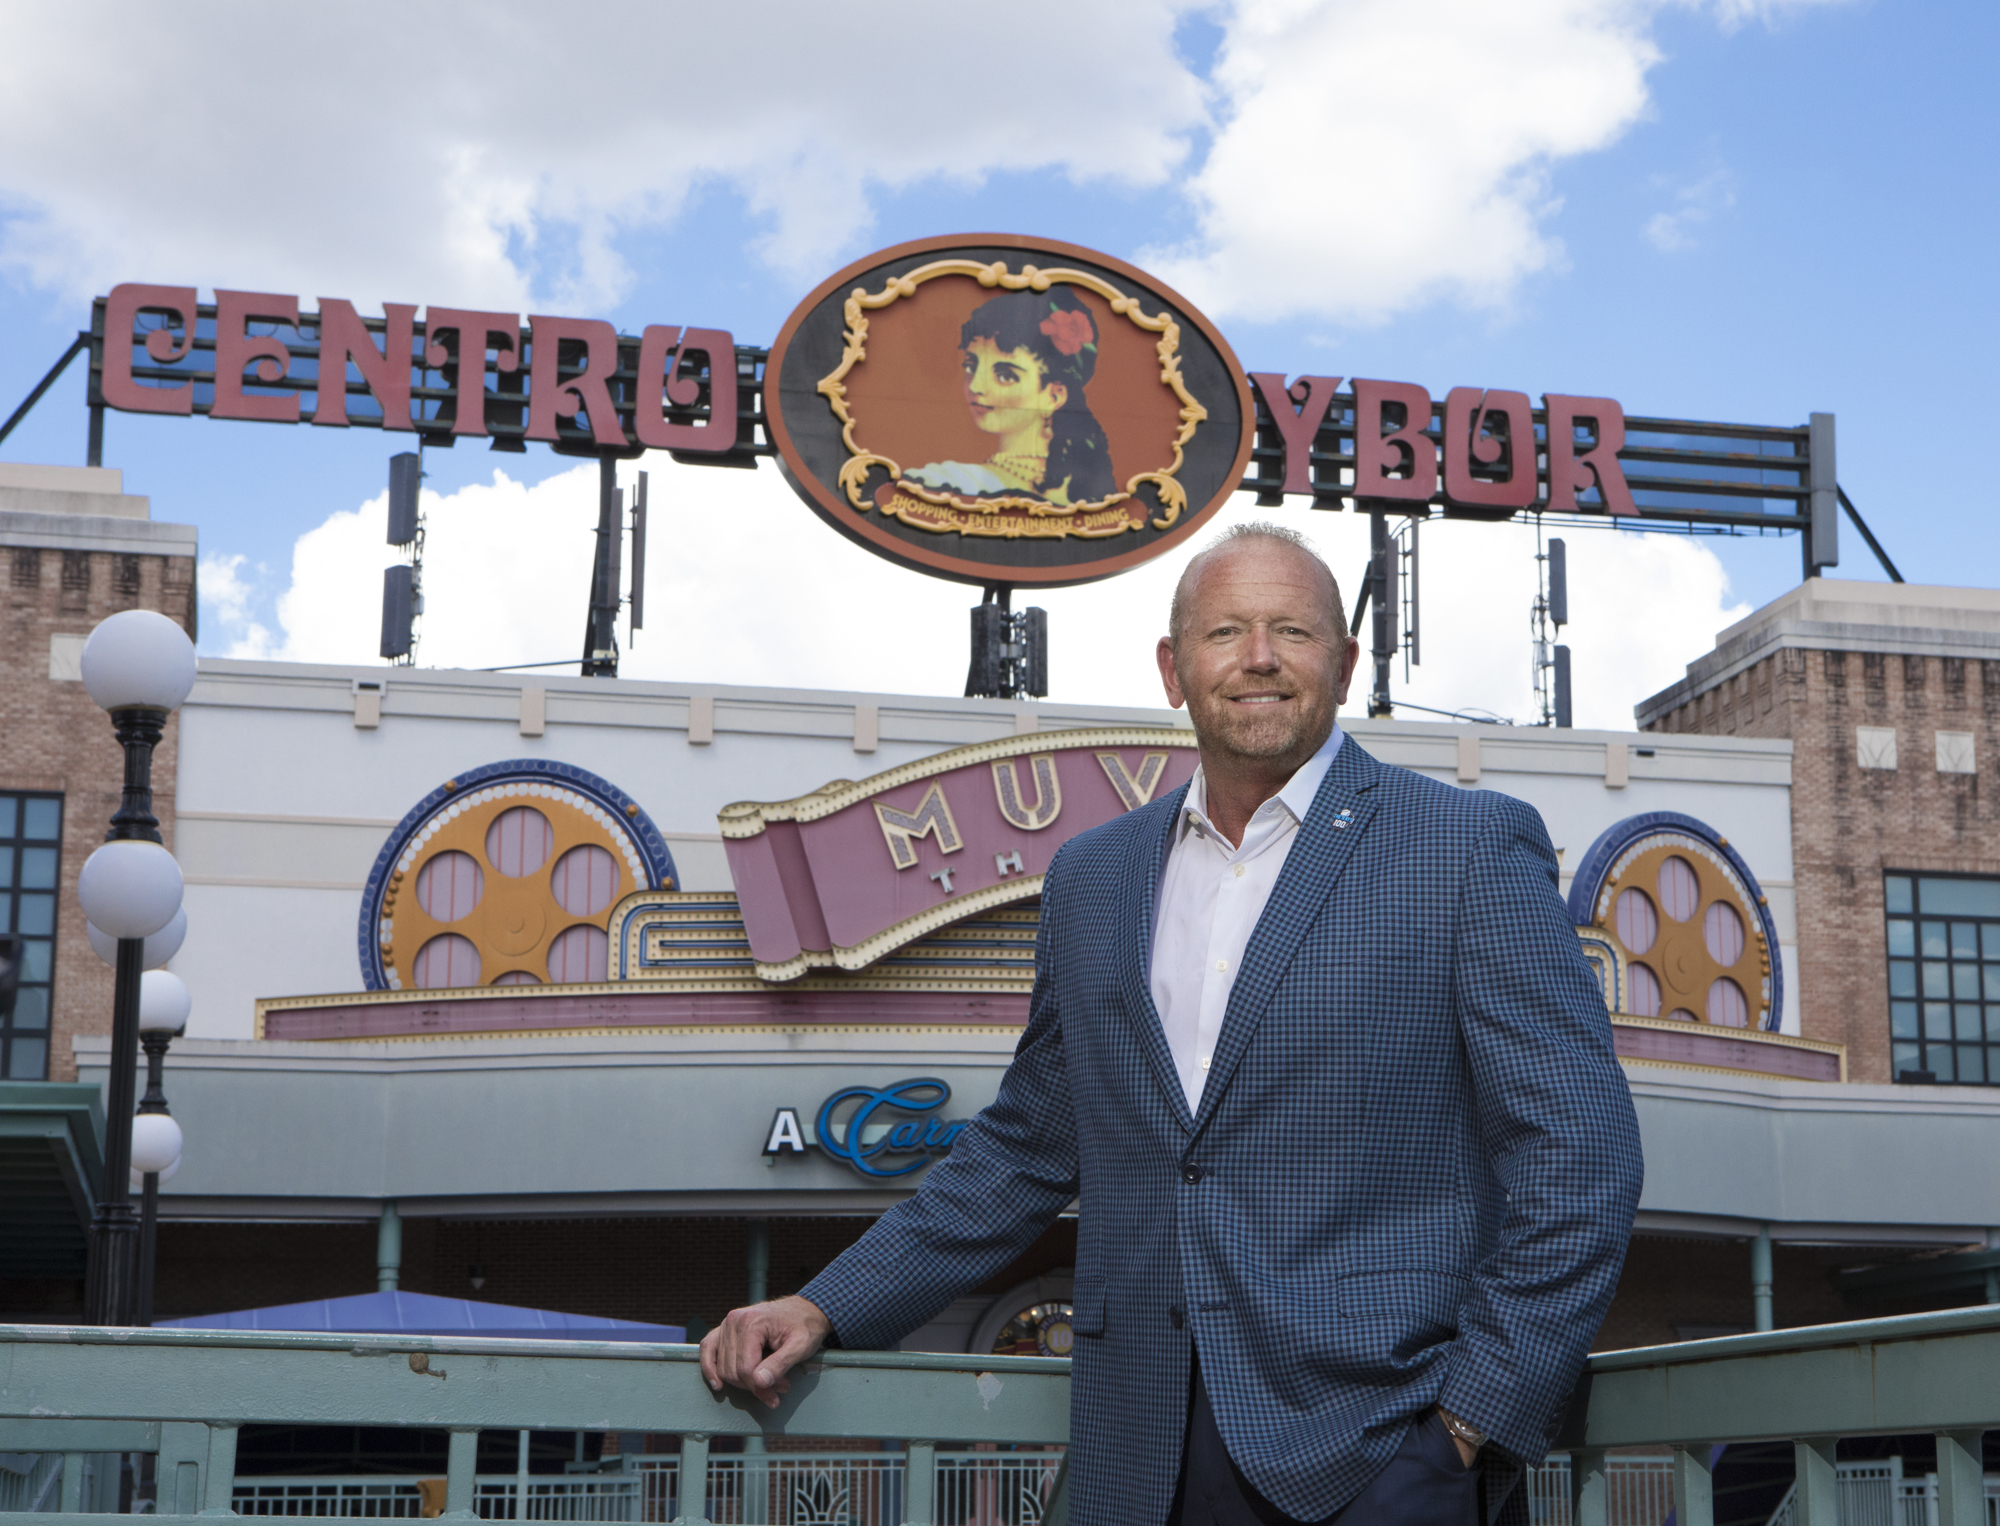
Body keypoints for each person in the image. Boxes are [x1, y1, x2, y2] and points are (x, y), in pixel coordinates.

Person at [701, 523, 1644, 1526]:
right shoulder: (1093, 876)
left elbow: (1577, 1153)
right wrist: (824, 1303)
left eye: (1293, 630)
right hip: (1135, 1454)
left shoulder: (1463, 847)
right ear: (1172, 666)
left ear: (1343, 663)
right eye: (1224, 631)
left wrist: (1468, 1421)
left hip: (1380, 1449)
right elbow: (1024, 1147)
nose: (1259, 658)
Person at [902, 286, 1115, 506]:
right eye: (970, 367)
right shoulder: (948, 481)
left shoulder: (949, 483)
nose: (975, 386)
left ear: (1053, 396)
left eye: (1005, 376)